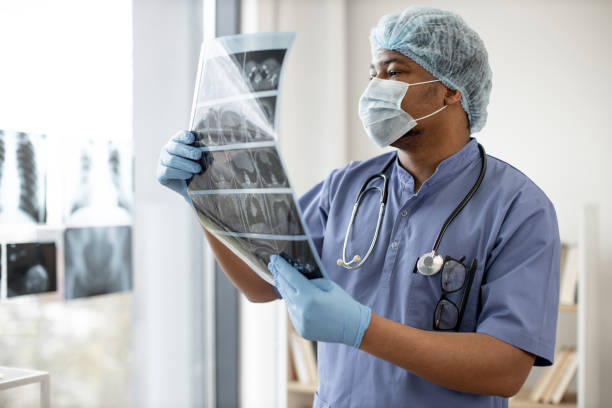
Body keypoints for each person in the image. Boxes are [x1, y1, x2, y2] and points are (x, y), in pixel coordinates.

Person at [157, 6, 560, 407]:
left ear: (452, 89)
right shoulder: (345, 186)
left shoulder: (519, 209)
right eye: (373, 73)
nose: (374, 87)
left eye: (394, 71)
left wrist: (361, 330)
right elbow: (261, 282)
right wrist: (205, 201)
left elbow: (505, 369)